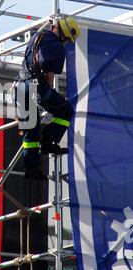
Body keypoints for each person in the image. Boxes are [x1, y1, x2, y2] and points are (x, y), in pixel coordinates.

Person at [18, 16, 80, 179]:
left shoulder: (36, 36)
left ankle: (31, 169)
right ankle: (48, 142)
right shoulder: (57, 47)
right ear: (64, 34)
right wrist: (48, 95)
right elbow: (49, 74)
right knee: (65, 111)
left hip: (21, 87)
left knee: (31, 130)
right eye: (67, 39)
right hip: (37, 87)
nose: (66, 43)